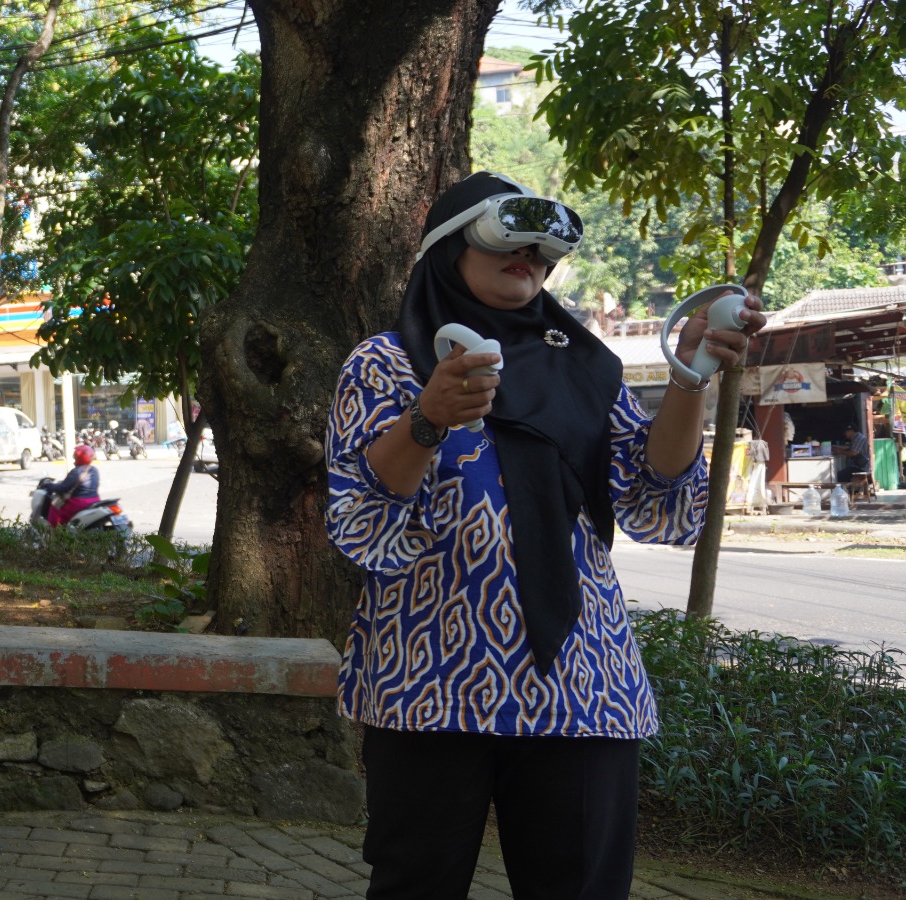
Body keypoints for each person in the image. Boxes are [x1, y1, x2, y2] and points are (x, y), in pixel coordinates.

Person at [325, 172, 764, 899]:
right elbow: (363, 517)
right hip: (427, 679)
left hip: (583, 682)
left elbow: (654, 496)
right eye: (509, 243)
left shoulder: (587, 365)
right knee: (415, 885)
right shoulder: (385, 363)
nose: (528, 259)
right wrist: (427, 418)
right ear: (449, 250)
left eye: (541, 252)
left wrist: (691, 377)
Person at [44, 444, 100, 526]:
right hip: (95, 500)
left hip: (80, 502)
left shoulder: (76, 471)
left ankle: (53, 531)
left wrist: (49, 485)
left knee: (55, 508)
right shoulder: (94, 469)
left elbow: (63, 488)